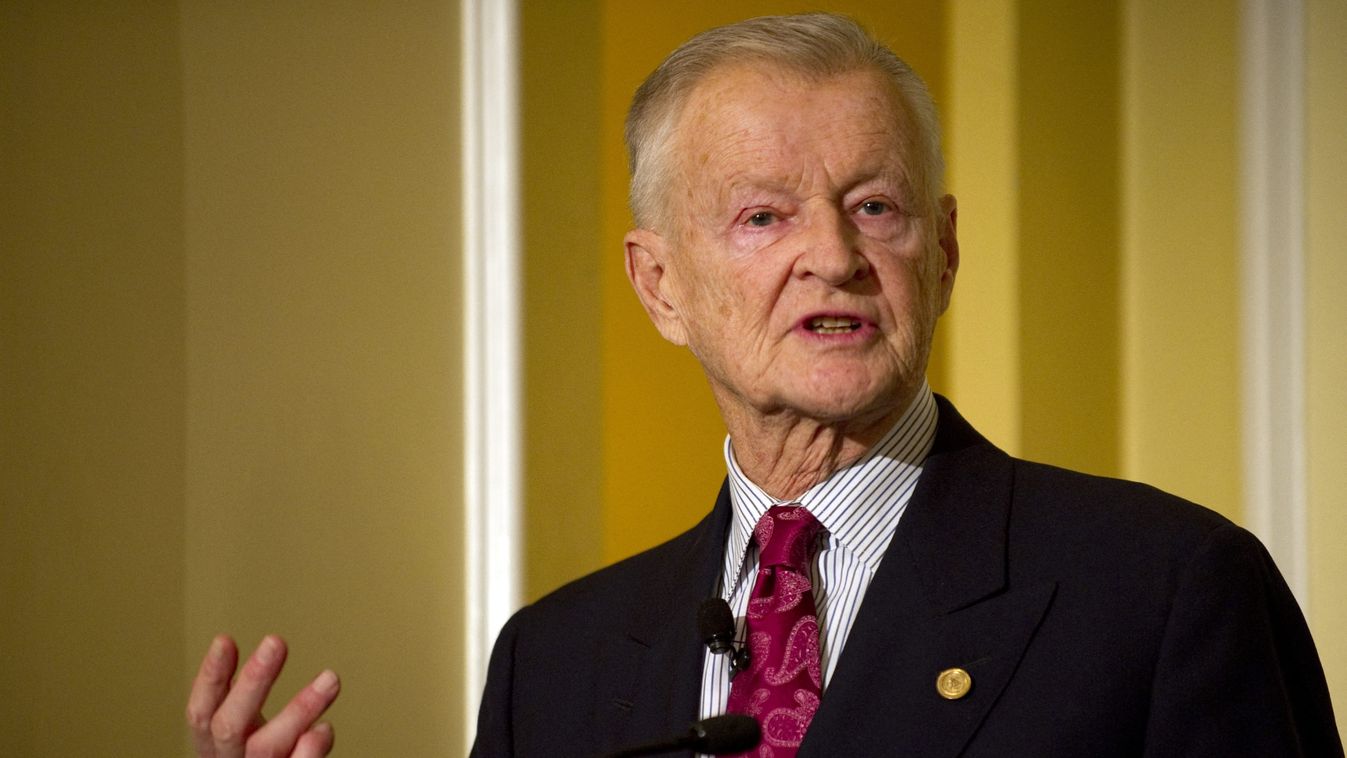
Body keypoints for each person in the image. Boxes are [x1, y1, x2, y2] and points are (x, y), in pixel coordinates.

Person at [187, 13, 1342, 757]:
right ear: (660, 285)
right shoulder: (556, 663)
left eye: (874, 207)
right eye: (762, 216)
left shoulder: (1166, 590)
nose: (833, 255)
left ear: (943, 253)